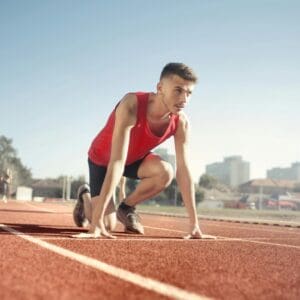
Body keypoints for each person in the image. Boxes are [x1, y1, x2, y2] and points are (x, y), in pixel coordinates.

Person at [73, 62, 215, 239]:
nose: (184, 100)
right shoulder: (131, 104)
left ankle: (126, 207)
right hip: (103, 160)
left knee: (165, 171)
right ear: (160, 87)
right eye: (178, 90)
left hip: (133, 160)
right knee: (107, 224)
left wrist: (194, 224)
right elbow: (117, 161)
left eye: (189, 93)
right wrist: (96, 221)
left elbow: (184, 170)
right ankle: (85, 195)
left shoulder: (181, 122)